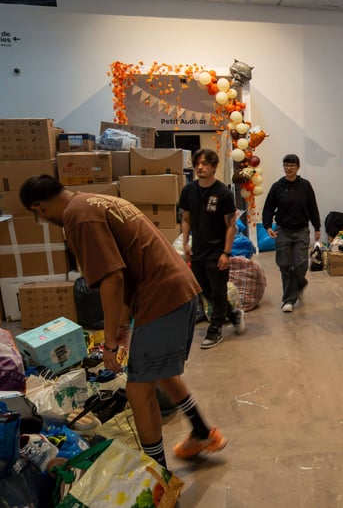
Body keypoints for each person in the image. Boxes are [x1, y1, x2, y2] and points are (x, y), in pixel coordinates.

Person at [19, 175, 226, 469]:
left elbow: (112, 279)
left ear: (39, 207)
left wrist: (109, 343)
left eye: (39, 214)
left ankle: (159, 477)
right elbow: (127, 269)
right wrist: (122, 326)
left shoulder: (77, 216)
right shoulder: (98, 201)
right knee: (160, 373)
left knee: (138, 392)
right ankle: (203, 433)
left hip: (161, 298)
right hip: (175, 289)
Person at [179, 149, 244, 350]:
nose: (200, 167)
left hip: (217, 251)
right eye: (197, 163)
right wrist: (185, 243)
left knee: (218, 291)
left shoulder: (223, 193)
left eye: (205, 163)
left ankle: (215, 329)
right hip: (197, 250)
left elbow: (231, 225)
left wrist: (226, 253)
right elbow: (186, 218)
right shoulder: (188, 190)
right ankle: (233, 313)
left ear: (214, 167)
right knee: (203, 289)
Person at [263, 153, 321, 313]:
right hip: (283, 230)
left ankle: (295, 288)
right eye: (286, 165)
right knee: (284, 264)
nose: (289, 168)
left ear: (298, 167)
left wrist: (317, 227)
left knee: (300, 264)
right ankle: (291, 296)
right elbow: (268, 208)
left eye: (292, 165)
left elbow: (312, 207)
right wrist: (267, 225)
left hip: (301, 230)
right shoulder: (277, 186)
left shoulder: (305, 186)